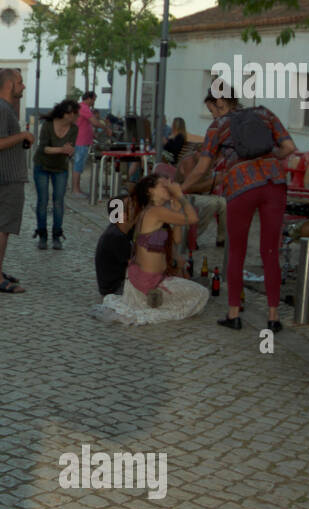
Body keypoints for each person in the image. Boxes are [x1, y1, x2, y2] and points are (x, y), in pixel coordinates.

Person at [183, 80, 296, 331]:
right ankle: (273, 317)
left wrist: (181, 189)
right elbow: (289, 147)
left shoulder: (218, 127)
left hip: (241, 185)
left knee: (236, 251)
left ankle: (234, 314)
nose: (212, 114)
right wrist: (269, 159)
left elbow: (202, 168)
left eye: (212, 109)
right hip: (274, 183)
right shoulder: (264, 113)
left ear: (217, 103)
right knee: (270, 252)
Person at [91, 175, 208, 325]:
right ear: (150, 191)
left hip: (152, 278)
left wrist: (177, 211)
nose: (167, 187)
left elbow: (177, 240)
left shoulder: (152, 213)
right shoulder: (153, 212)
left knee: (194, 290)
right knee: (201, 294)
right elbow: (193, 219)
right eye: (162, 185)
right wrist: (179, 195)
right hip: (143, 281)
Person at [0, 69, 35, 293]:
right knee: (2, 226)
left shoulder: (3, 109)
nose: (23, 87)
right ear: (9, 85)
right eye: (20, 82)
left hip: (7, 176)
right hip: (6, 177)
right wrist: (22, 136)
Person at [32, 99, 77, 250]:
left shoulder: (73, 129)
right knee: (43, 201)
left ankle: (57, 234)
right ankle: (42, 234)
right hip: (42, 165)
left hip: (60, 168)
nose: (76, 116)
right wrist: (62, 150)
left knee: (58, 201)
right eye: (74, 113)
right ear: (66, 114)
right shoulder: (48, 125)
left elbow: (70, 147)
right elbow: (43, 148)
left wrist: (69, 151)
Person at [94, 200, 135, 297]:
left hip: (113, 284)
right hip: (115, 288)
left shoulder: (118, 230)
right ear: (124, 216)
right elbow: (134, 266)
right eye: (132, 208)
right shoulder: (116, 236)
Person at [71, 91, 107, 196]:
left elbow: (86, 124)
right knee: (78, 166)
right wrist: (106, 128)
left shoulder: (82, 107)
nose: (94, 102)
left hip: (83, 141)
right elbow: (94, 122)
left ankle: (77, 188)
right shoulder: (84, 108)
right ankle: (75, 189)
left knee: (79, 166)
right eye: (94, 100)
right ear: (89, 99)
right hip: (80, 141)